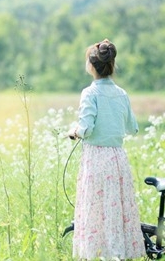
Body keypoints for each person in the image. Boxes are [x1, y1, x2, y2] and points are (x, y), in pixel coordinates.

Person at [68, 39, 145, 260]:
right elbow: (133, 127)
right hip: (117, 158)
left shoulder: (89, 93)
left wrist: (75, 131)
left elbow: (86, 128)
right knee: (116, 209)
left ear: (92, 66)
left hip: (96, 158)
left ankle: (97, 253)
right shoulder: (122, 93)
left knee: (96, 208)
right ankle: (119, 252)